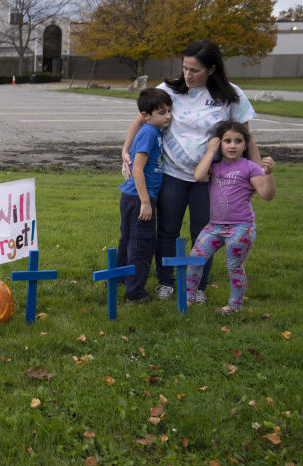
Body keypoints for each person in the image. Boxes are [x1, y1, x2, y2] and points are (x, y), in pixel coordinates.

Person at [121, 40, 269, 302]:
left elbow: (247, 137)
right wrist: (125, 150)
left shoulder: (230, 95)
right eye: (185, 68)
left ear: (212, 69)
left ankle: (198, 285)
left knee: (205, 233)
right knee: (167, 231)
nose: (187, 75)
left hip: (210, 180)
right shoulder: (169, 90)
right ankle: (166, 282)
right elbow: (141, 118)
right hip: (172, 176)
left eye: (195, 70)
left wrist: (257, 176)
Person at [186, 121, 275, 313]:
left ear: (245, 145)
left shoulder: (250, 167)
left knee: (234, 266)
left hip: (241, 227)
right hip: (215, 226)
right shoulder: (215, 166)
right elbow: (199, 176)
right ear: (220, 144)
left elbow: (267, 195)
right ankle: (189, 297)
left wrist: (268, 175)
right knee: (194, 258)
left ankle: (234, 306)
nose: (233, 145)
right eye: (227, 141)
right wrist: (210, 152)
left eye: (238, 141)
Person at [117, 88, 173, 303]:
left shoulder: (155, 131)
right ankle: (136, 293)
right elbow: (138, 168)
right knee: (142, 245)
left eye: (169, 110)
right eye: (161, 112)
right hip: (139, 198)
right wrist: (146, 202)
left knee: (130, 240)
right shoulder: (149, 133)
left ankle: (120, 278)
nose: (167, 115)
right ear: (146, 115)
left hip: (134, 197)